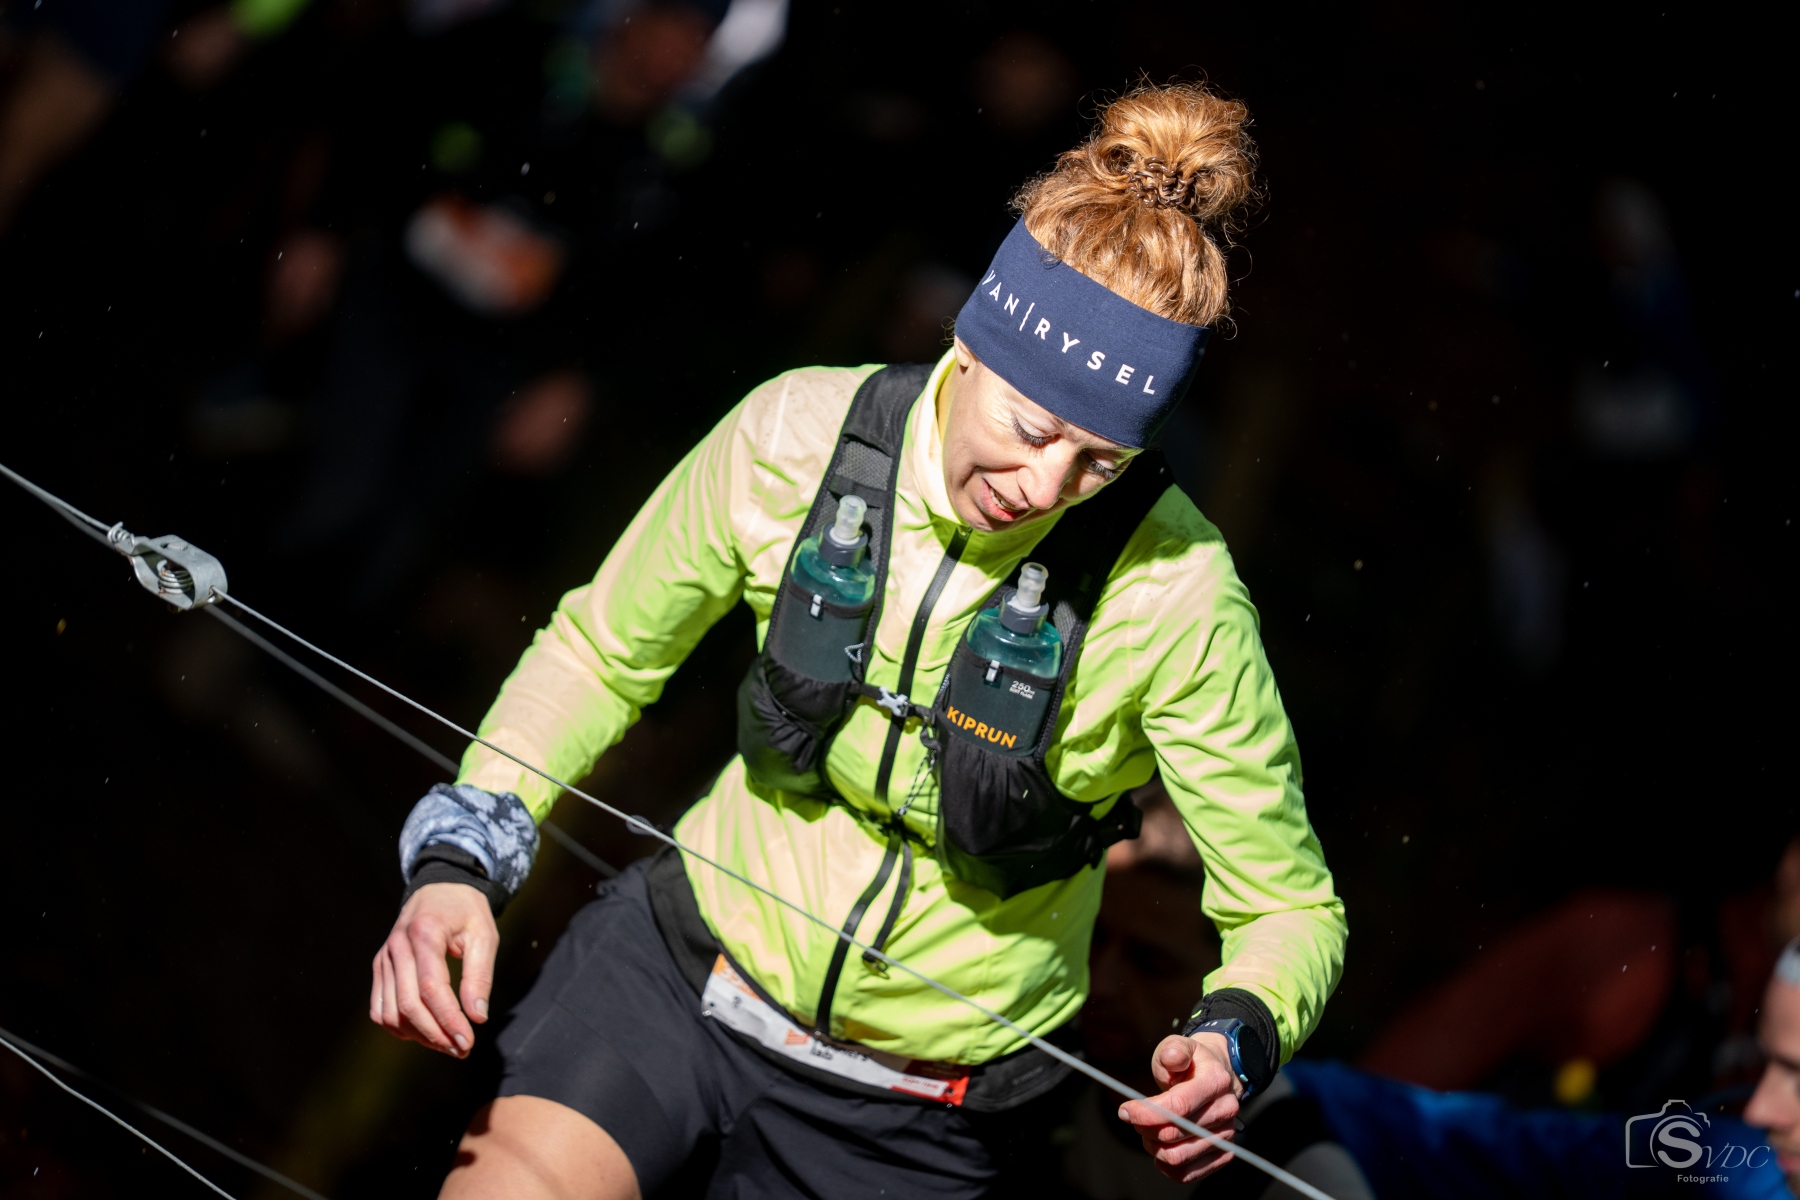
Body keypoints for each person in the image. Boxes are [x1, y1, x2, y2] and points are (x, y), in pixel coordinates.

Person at [370, 82, 1347, 1198]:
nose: (1044, 487)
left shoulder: (1178, 594)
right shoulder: (793, 434)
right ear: (970, 341)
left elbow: (1289, 907)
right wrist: (464, 856)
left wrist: (1235, 1035)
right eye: (1030, 429)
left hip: (922, 1114)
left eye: (1100, 463)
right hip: (681, 975)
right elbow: (602, 652)